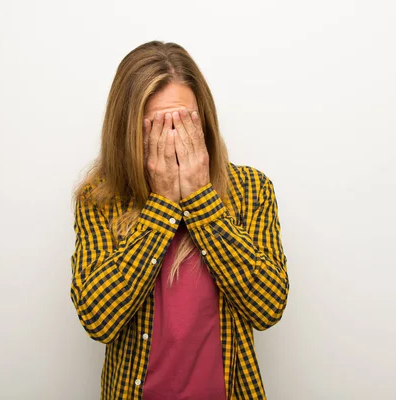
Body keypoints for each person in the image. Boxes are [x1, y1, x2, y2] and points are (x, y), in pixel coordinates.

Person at [70, 40, 289, 400]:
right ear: (127, 129)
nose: (173, 139)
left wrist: (202, 200)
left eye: (185, 121)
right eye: (156, 125)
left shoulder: (252, 190)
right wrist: (163, 204)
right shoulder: (100, 200)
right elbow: (98, 318)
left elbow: (267, 307)